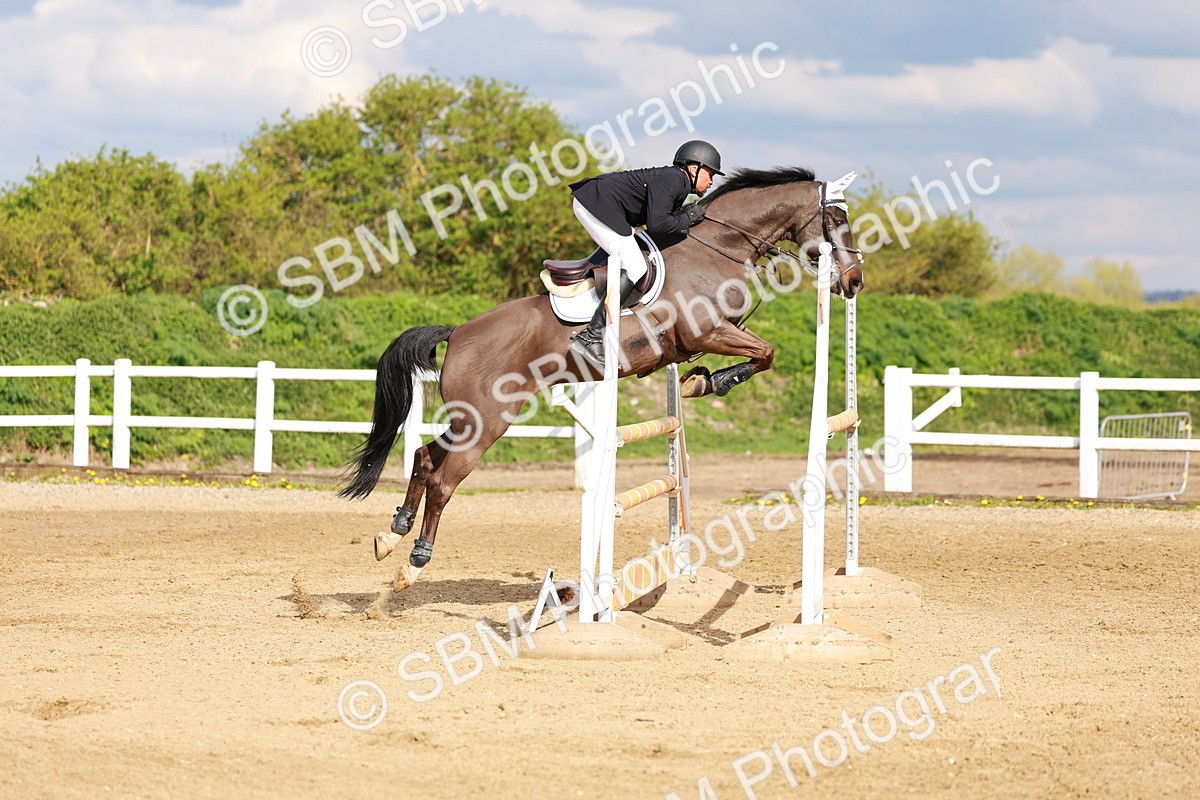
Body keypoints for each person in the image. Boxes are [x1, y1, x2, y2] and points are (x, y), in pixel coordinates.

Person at [566, 139, 723, 369]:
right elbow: (658, 224)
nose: (712, 181)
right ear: (693, 168)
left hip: (598, 202)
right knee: (635, 265)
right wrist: (687, 219)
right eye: (710, 173)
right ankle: (591, 336)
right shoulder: (675, 179)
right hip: (595, 203)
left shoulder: (676, 182)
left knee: (636, 259)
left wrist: (683, 218)